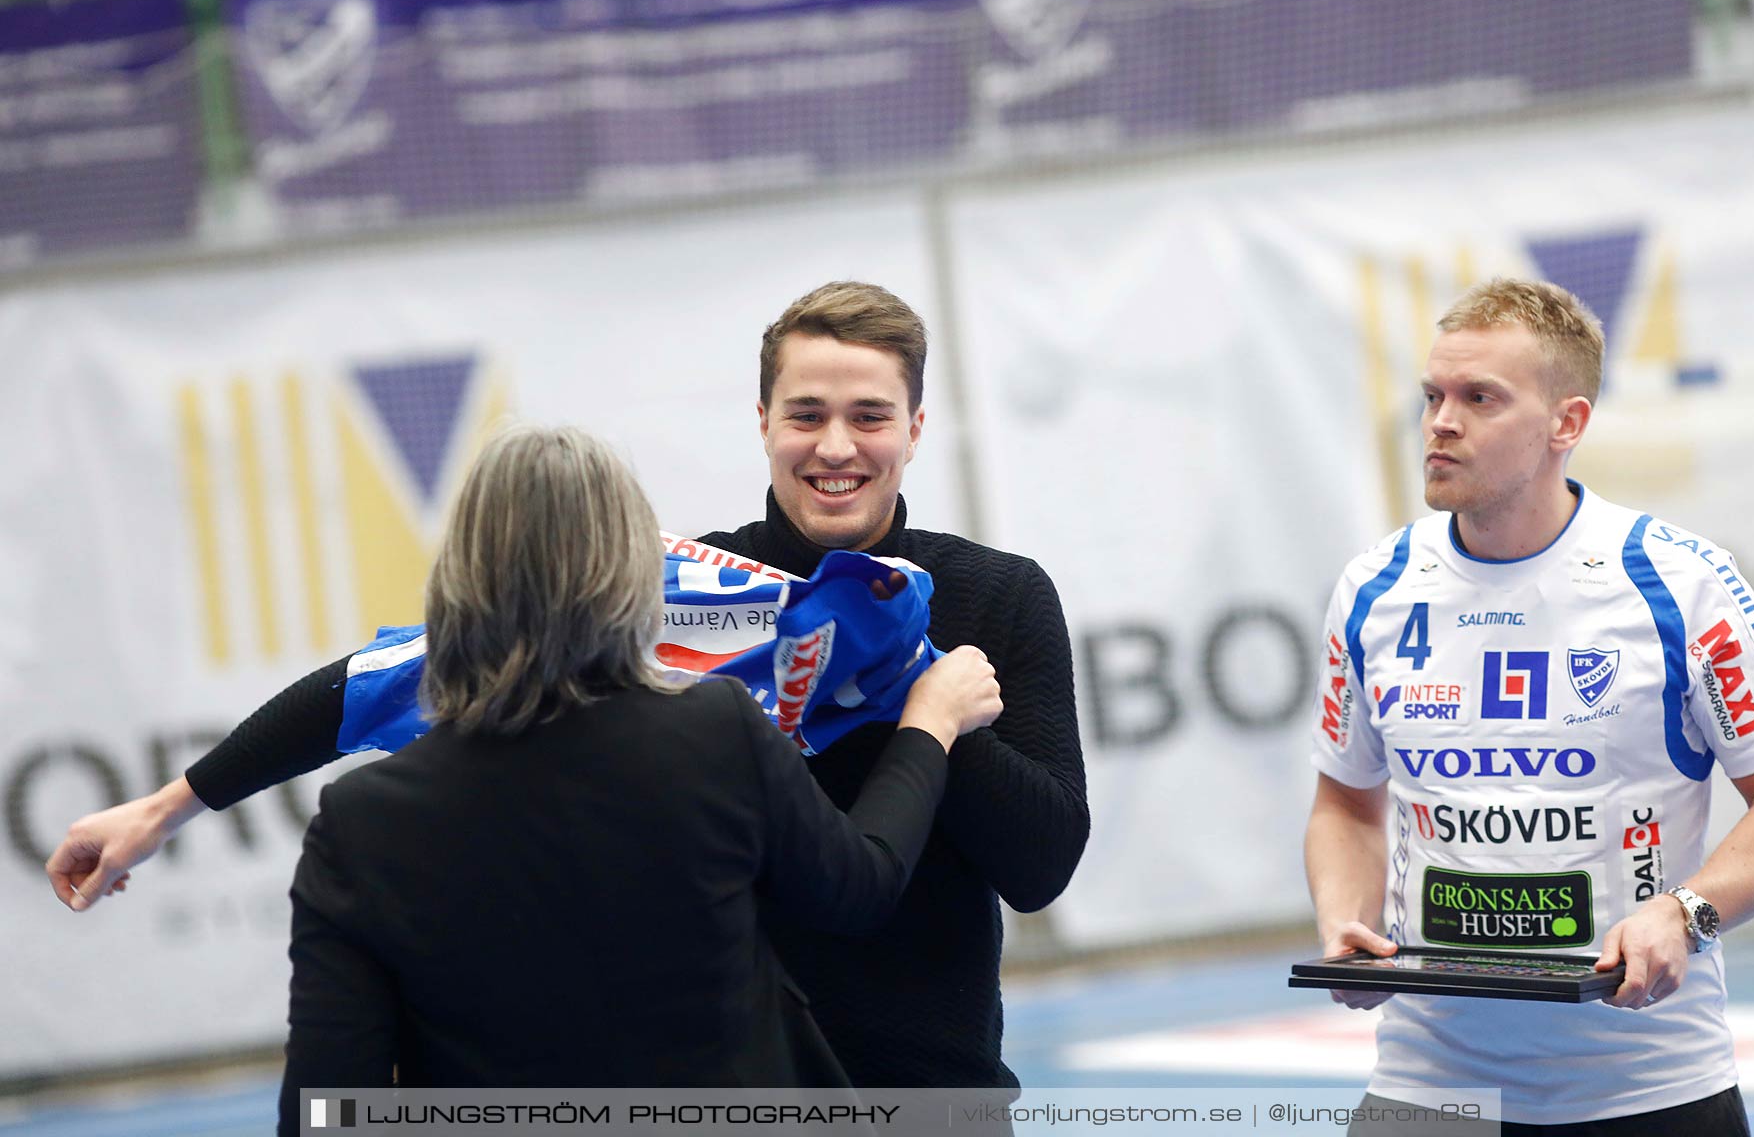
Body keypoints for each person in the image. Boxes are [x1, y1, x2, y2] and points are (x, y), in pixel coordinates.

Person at [48, 281, 1089, 1091]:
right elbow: (390, 676)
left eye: (869, 416)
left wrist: (929, 703)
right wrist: (168, 805)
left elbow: (1042, 866)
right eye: (806, 412)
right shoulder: (680, 590)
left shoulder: (991, 600)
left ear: (915, 426)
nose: (835, 446)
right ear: (762, 419)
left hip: (938, 1086)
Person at [275, 424, 1002, 1134]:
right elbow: (859, 888)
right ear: (630, 570)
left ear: (459, 573)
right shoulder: (711, 732)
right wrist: (927, 725)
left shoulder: (359, 822)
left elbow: (324, 1106)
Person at [1305, 277, 1754, 1134]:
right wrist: (1347, 924)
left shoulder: (1680, 584)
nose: (1440, 422)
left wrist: (1685, 912)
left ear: (1566, 424)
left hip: (1650, 1086)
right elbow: (1346, 803)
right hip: (1430, 1087)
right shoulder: (1375, 587)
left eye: (1479, 398)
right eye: (1432, 396)